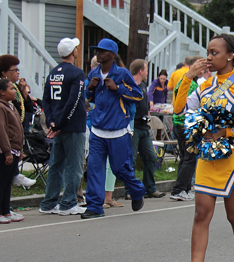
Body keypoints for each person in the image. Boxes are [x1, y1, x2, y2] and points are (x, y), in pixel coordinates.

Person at [169, 34, 234, 262]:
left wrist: (227, 132)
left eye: (214, 52)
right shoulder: (205, 85)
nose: (208, 57)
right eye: (207, 52)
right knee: (201, 214)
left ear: (230, 55)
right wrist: (188, 77)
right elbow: (179, 110)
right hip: (208, 158)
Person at [82, 38, 146, 219]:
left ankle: (137, 190)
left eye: (102, 51)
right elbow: (89, 98)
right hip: (97, 130)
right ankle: (94, 206)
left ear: (112, 55)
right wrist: (90, 90)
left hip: (118, 131)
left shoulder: (123, 74)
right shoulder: (93, 73)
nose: (98, 53)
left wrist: (118, 88)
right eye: (97, 50)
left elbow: (138, 96)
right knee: (94, 168)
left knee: (120, 169)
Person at [39, 37, 87, 215]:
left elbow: (46, 100)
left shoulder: (53, 72)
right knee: (73, 166)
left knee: (56, 165)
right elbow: (73, 101)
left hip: (57, 124)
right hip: (72, 126)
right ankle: (68, 202)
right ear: (73, 52)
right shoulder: (77, 73)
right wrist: (60, 123)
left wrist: (53, 122)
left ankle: (49, 202)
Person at [0, 54, 37, 187]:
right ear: (4, 73)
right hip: (5, 134)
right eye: (14, 70)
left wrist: (24, 92)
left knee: (8, 174)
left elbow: (28, 108)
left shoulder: (16, 88)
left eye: (18, 70)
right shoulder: (0, 89)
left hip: (17, 132)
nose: (18, 73)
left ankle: (15, 175)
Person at [0, 79, 25, 224]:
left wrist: (18, 149)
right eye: (11, 89)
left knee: (7, 181)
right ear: (2, 92)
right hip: (2, 149)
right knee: (0, 181)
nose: (15, 91)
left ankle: (5, 211)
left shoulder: (10, 105)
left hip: (13, 148)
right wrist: (7, 151)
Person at [130, 59, 166, 199]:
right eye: (145, 69)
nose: (147, 72)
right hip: (134, 126)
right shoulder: (131, 86)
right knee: (131, 159)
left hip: (144, 127)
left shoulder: (144, 86)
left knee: (151, 157)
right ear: (141, 71)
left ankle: (149, 187)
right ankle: (130, 190)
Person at [168, 56, 200, 201]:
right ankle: (179, 189)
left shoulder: (182, 80)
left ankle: (185, 188)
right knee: (190, 159)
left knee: (184, 158)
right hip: (186, 124)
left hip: (177, 123)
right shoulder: (192, 85)